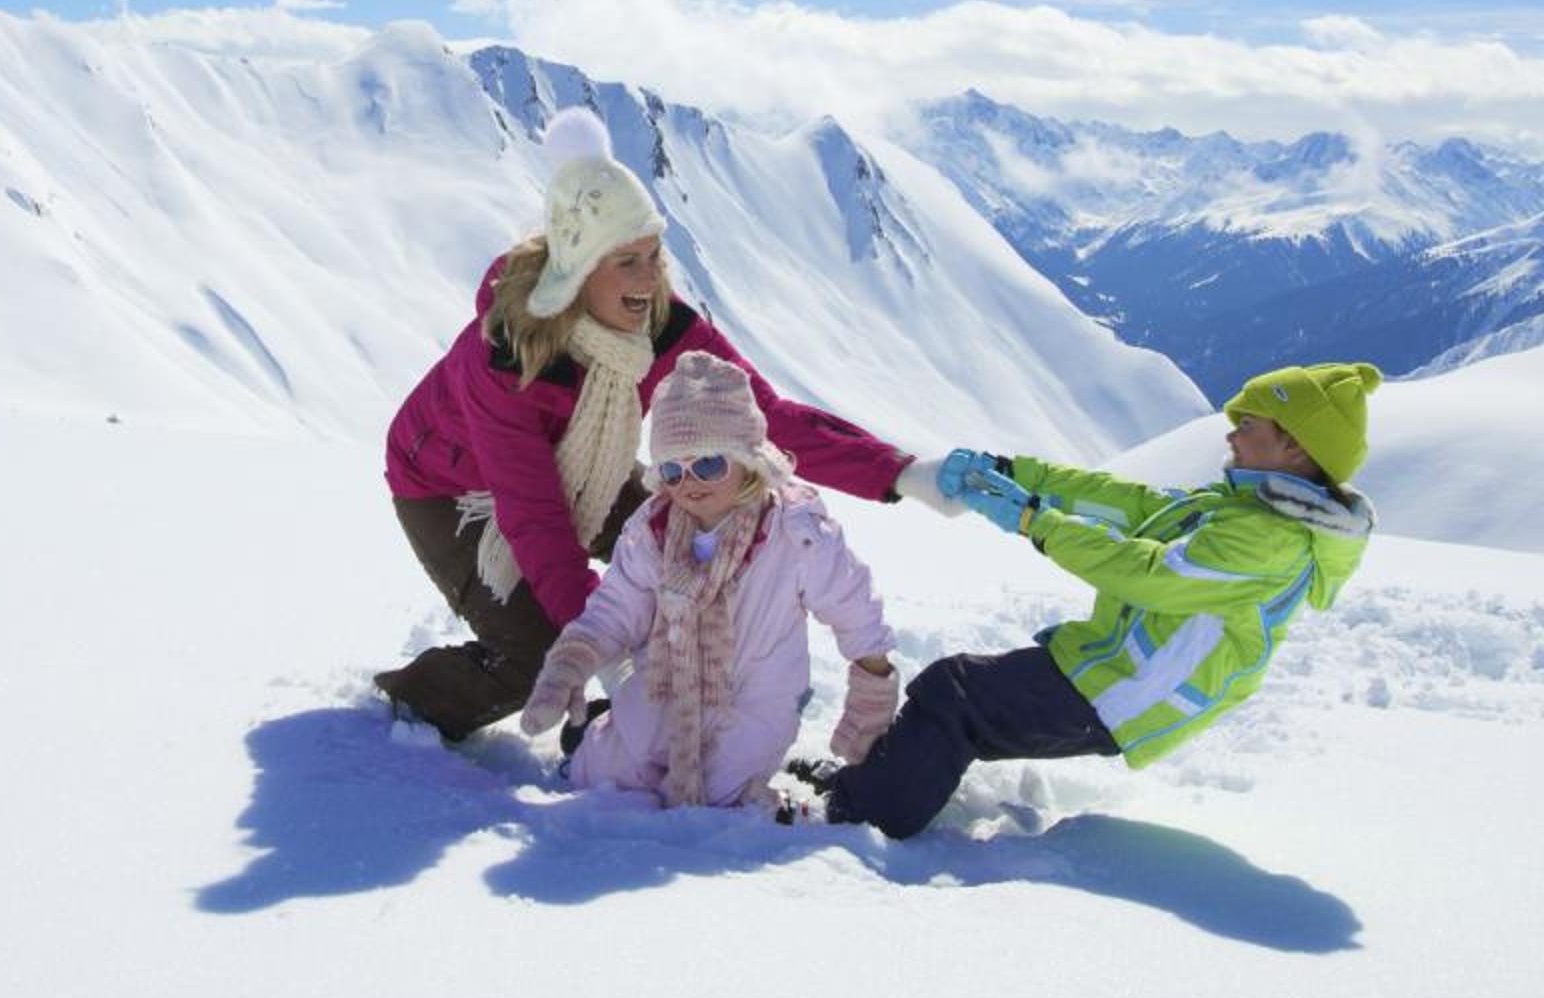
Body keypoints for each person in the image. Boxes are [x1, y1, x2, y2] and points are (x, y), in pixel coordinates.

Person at [378, 108, 928, 742]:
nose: (649, 279)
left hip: (590, 469)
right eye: (626, 261)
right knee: (540, 657)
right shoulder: (506, 356)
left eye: (653, 255)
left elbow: (759, 419)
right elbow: (536, 517)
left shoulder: (656, 321)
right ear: (580, 270)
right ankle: (413, 701)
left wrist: (901, 473)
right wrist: (600, 650)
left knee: (699, 544)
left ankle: (700, 703)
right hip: (450, 488)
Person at [811, 361, 1383, 838]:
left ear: (1295, 447)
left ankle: (865, 812)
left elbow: (1148, 575)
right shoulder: (1243, 507)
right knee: (961, 693)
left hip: (1130, 692)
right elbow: (1129, 504)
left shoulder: (1270, 539)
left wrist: (1033, 519)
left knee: (958, 697)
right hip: (1108, 669)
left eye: (1249, 423)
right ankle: (870, 787)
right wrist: (1015, 474)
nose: (1232, 434)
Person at [515, 352, 901, 811]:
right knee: (605, 776)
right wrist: (570, 663)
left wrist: (871, 693)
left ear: (747, 459)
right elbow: (616, 609)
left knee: (722, 798)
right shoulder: (653, 530)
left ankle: (768, 798)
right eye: (673, 470)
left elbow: (852, 606)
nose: (690, 482)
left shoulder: (795, 532)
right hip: (661, 694)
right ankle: (593, 735)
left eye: (709, 465)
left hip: (751, 706)